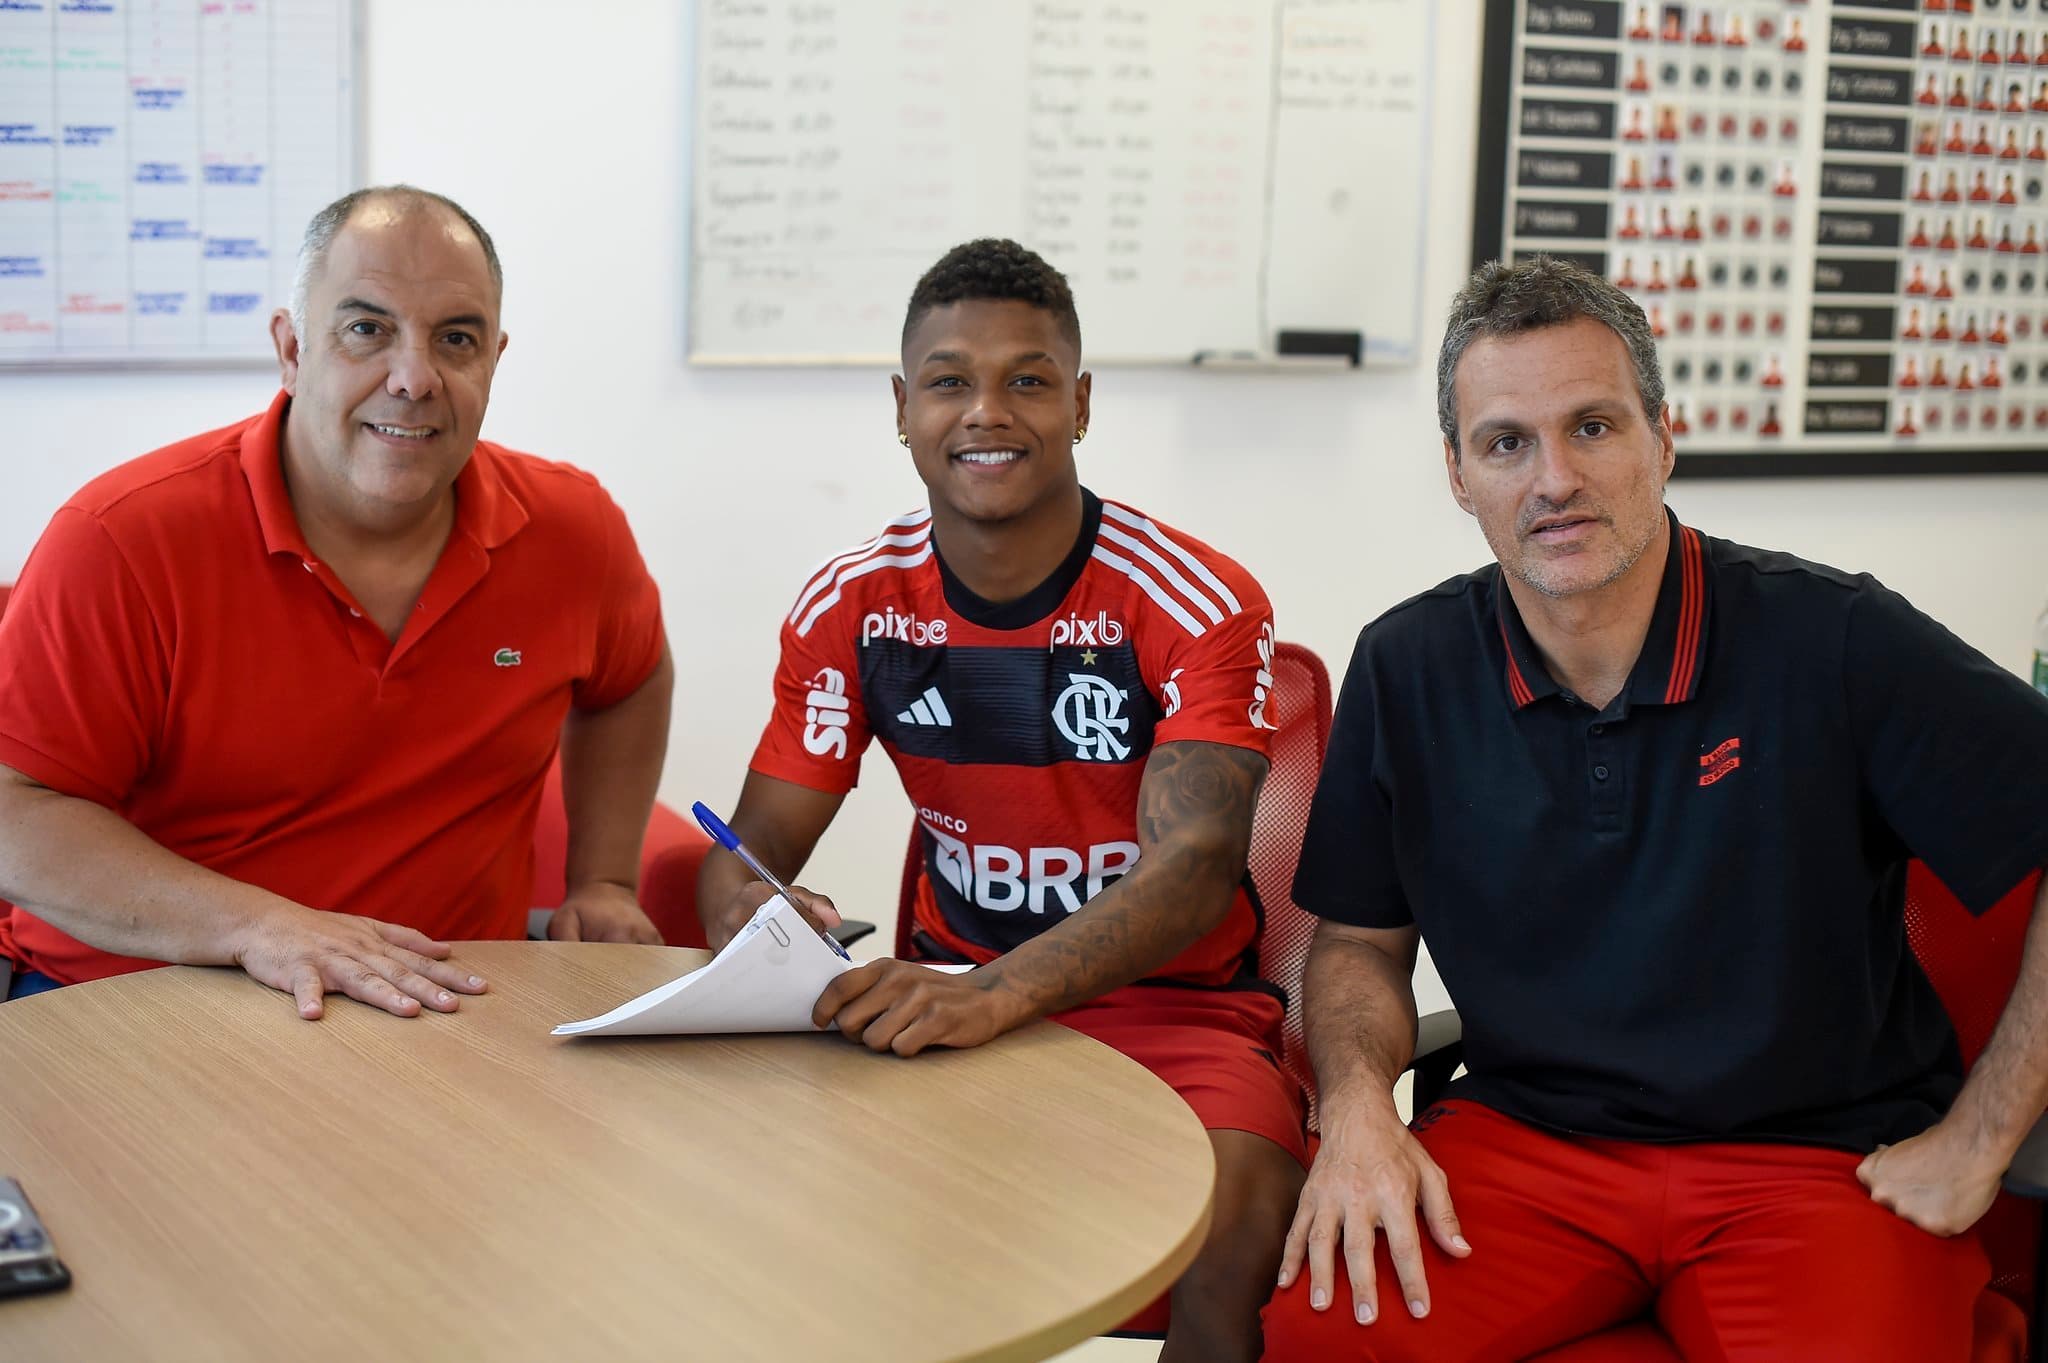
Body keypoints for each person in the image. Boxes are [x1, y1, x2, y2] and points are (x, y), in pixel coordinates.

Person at [1259, 256, 2048, 1362]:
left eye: (1591, 427)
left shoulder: (1833, 638)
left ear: (1660, 440)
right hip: (1527, 1145)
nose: (1552, 480)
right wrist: (1354, 1113)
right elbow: (1354, 941)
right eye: (1505, 442)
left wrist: (1981, 1133)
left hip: (1810, 1160)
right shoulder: (1408, 664)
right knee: (1314, 1341)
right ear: (1455, 471)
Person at [699, 238, 1306, 1363]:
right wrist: (749, 906)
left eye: (1027, 379)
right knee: (772, 1218)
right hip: (941, 1000)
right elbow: (747, 845)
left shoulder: (1194, 595)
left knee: (1233, 1237)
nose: (987, 411)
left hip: (1171, 1011)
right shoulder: (853, 604)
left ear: (1079, 404)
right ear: (900, 406)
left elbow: (1193, 871)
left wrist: (994, 993)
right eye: (948, 380)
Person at [0, 185, 672, 1016]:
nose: (414, 377)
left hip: (441, 1010)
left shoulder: (575, 531)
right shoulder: (121, 539)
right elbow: (15, 813)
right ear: (290, 349)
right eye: (367, 330)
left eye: (455, 340)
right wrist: (261, 927)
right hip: (134, 1002)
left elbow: (628, 680)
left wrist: (602, 877)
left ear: (493, 361)